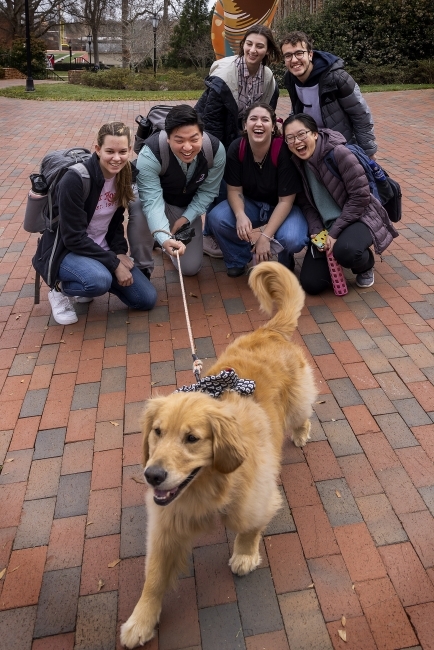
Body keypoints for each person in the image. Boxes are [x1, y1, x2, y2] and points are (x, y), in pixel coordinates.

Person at [33, 122, 157, 326]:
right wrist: (114, 263)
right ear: (98, 149)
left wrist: (118, 251)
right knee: (99, 281)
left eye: (122, 151)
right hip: (67, 251)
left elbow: (116, 222)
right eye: (110, 151)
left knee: (146, 299)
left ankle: (89, 276)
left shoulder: (124, 175)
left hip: (100, 249)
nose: (116, 158)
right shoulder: (74, 180)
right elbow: (72, 238)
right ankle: (59, 289)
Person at [283, 114, 398, 294]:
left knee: (346, 251)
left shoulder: (338, 153)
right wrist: (316, 231)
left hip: (360, 217)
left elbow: (360, 197)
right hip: (327, 227)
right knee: (311, 284)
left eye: (301, 134)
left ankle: (365, 264)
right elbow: (306, 204)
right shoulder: (296, 163)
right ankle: (338, 250)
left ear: (314, 133)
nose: (297, 141)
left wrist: (335, 233)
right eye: (290, 138)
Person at [195, 24, 281, 258]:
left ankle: (220, 232)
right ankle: (208, 235)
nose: (253, 50)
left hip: (243, 136)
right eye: (249, 44)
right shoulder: (224, 75)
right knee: (220, 185)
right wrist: (222, 154)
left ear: (267, 50)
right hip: (217, 135)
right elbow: (211, 121)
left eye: (259, 46)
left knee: (233, 185)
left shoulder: (268, 78)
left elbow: (267, 115)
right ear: (243, 44)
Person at [207, 102, 309, 277]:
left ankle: (286, 256)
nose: (259, 124)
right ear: (245, 125)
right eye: (253, 119)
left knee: (293, 239)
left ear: (273, 126)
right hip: (252, 204)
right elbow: (234, 190)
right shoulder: (237, 148)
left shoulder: (283, 150)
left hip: (283, 206)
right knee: (217, 218)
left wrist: (265, 237)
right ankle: (239, 257)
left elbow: (286, 201)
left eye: (265, 119)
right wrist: (240, 215)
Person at [131, 104, 225, 276]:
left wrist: (186, 218)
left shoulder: (216, 150)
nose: (188, 148)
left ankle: (162, 240)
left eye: (194, 139)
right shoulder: (150, 154)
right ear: (168, 137)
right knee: (138, 207)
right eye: (179, 140)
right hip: (154, 198)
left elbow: (208, 192)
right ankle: (142, 267)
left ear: (202, 135)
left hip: (183, 205)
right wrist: (165, 237)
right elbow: (152, 203)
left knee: (190, 268)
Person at [281, 30, 377, 159]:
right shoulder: (290, 79)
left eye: (299, 53)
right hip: (310, 146)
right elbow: (297, 109)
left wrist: (367, 153)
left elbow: (361, 115)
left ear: (310, 55)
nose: (294, 60)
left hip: (341, 148)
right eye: (288, 55)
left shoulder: (337, 78)